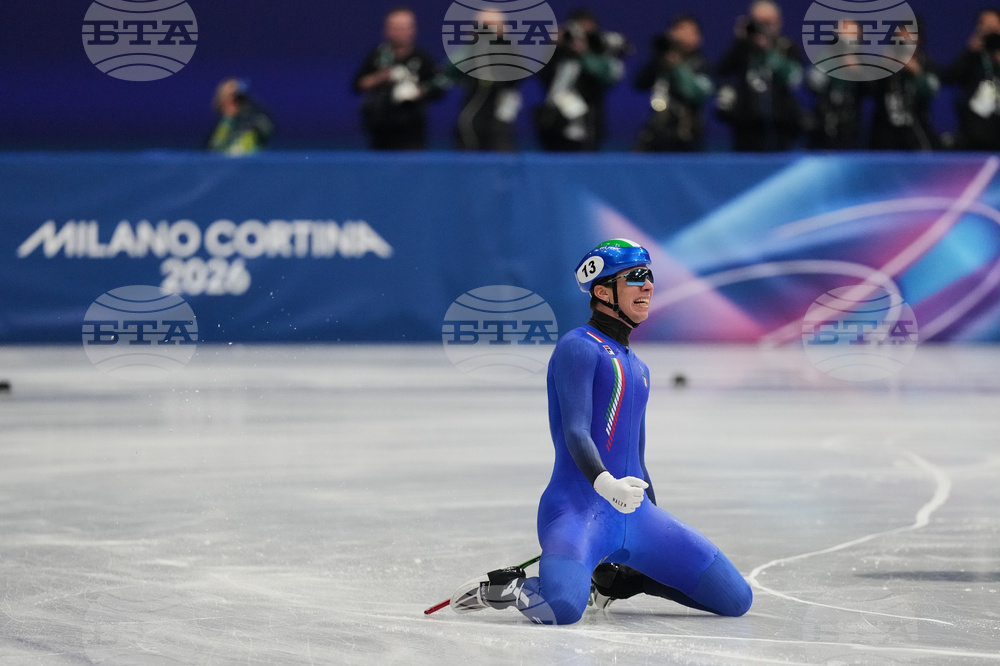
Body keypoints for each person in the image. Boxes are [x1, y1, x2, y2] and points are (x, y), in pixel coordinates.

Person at [449, 239, 753, 625]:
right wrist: (607, 485)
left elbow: (638, 459)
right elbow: (576, 431)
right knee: (562, 608)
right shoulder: (578, 347)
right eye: (636, 277)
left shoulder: (639, 367)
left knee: (735, 599)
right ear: (602, 290)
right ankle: (504, 589)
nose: (648, 286)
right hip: (577, 511)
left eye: (650, 277)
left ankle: (618, 582)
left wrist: (652, 517)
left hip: (637, 518)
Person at [534, 9, 628, 152]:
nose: (580, 37)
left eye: (586, 32)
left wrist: (584, 53)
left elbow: (608, 78)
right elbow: (541, 76)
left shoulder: (602, 52)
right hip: (555, 123)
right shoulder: (560, 54)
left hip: (587, 123)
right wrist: (551, 47)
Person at [716, 0, 804, 151]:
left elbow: (794, 79)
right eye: (758, 21)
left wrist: (768, 49)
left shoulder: (788, 47)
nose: (763, 27)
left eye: (767, 22)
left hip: (780, 125)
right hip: (746, 125)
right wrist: (739, 39)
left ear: (778, 22)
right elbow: (721, 72)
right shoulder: (742, 48)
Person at [353, 7, 440, 150]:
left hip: (412, 130)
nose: (399, 32)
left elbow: (438, 90)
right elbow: (357, 85)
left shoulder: (423, 58)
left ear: (413, 30)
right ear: (386, 30)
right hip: (379, 129)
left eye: (404, 27)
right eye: (395, 27)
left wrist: (418, 90)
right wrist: (380, 77)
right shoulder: (376, 55)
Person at [438, 8, 523, 151]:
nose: (488, 31)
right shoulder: (469, 52)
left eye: (493, 26)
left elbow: (517, 74)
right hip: (472, 121)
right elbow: (449, 70)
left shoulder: (510, 52)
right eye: (484, 26)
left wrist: (501, 42)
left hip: (500, 123)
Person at [633, 15, 714, 152]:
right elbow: (639, 83)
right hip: (655, 132)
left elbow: (695, 93)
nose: (682, 36)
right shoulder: (661, 61)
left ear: (698, 38)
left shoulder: (702, 64)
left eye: (688, 32)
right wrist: (658, 59)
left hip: (687, 135)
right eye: (679, 30)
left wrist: (677, 66)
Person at [868, 21, 940, 151]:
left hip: (916, 132)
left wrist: (917, 73)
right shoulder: (884, 64)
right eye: (900, 41)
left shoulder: (926, 65)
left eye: (909, 41)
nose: (905, 45)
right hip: (885, 134)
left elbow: (931, 92)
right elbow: (868, 89)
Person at [942, 8, 1000, 150]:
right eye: (985, 26)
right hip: (974, 135)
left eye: (994, 26)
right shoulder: (973, 57)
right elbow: (948, 78)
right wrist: (970, 50)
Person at [207, 78, 274, 157]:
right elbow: (214, 148)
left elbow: (267, 127)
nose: (233, 103)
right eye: (229, 97)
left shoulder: (254, 121)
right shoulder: (220, 126)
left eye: (236, 98)